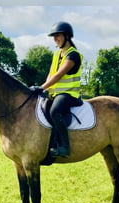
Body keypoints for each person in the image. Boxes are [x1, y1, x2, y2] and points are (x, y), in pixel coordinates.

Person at [40, 21, 83, 157]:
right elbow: (51, 74)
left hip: (69, 94)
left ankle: (65, 147)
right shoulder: (56, 54)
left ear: (67, 36)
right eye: (54, 36)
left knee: (55, 111)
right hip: (55, 93)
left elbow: (59, 75)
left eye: (58, 36)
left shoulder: (73, 55)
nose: (55, 39)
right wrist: (45, 88)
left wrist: (40, 87)